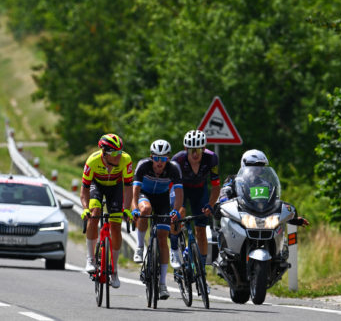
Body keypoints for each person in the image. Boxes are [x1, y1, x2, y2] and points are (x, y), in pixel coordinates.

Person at [130, 139, 182, 300]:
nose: (160, 163)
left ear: (168, 158)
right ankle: (139, 247)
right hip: (144, 195)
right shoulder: (143, 166)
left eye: (164, 159)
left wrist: (176, 211)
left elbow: (179, 194)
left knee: (162, 238)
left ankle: (162, 284)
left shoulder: (173, 169)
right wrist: (135, 210)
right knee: (145, 209)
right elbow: (135, 193)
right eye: (157, 159)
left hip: (162, 199)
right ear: (151, 157)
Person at [80, 133, 134, 289]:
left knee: (116, 227)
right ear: (104, 153)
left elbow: (128, 187)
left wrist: (127, 209)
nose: (119, 156)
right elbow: (84, 191)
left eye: (120, 152)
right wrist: (85, 209)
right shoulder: (92, 161)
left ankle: (114, 270)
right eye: (114, 153)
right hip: (96, 186)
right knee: (95, 213)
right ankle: (90, 259)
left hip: (115, 188)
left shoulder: (126, 160)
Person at [215, 149, 309, 226]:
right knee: (226, 223)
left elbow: (273, 204)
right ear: (245, 165)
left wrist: (291, 218)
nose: (258, 168)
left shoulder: (266, 184)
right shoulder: (233, 179)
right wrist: (221, 203)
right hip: (239, 219)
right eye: (255, 166)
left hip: (262, 222)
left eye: (261, 166)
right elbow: (224, 194)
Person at [169, 129, 220, 270]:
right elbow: (171, 186)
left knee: (201, 231)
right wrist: (176, 208)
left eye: (198, 149)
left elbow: (216, 185)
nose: (195, 154)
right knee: (179, 213)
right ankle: (174, 249)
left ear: (204, 148)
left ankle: (201, 272)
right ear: (186, 149)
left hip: (199, 190)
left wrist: (210, 205)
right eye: (192, 150)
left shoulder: (212, 159)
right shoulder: (177, 160)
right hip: (180, 189)